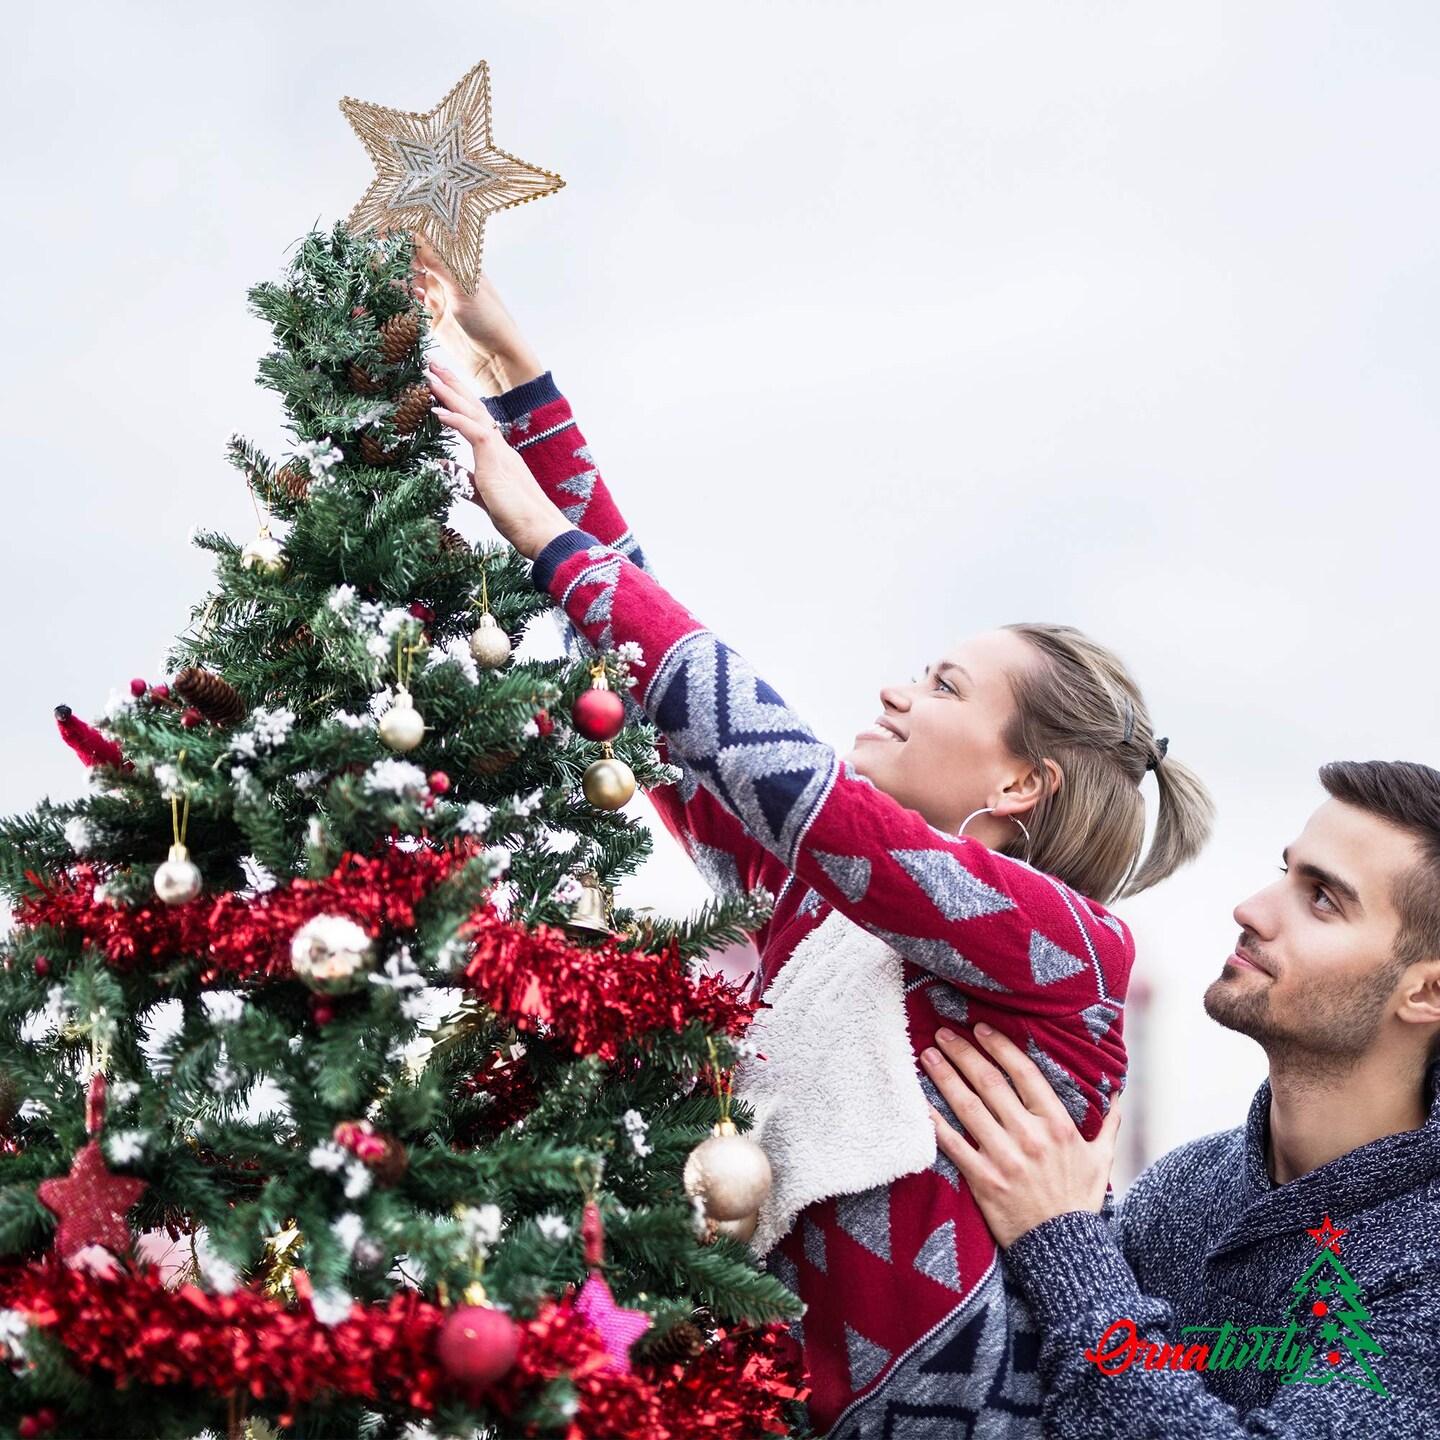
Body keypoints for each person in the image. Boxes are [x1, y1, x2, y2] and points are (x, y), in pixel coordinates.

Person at [413, 240, 1214, 1436]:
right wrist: (528, 384)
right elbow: (672, 715)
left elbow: (797, 790)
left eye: (943, 686)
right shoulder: (827, 912)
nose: (896, 694)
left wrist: (542, 537)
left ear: (1021, 782)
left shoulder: (1067, 950)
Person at [920, 760, 1440, 1437]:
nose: (1251, 908)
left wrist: (1063, 1241)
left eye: (1322, 899)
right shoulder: (1183, 1187)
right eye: (1286, 872)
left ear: (1426, 994)